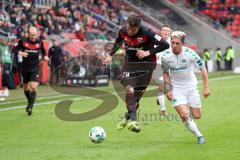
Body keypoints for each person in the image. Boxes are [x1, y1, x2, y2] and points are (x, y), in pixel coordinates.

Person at [103, 14, 169, 133]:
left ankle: (127, 117)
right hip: (131, 65)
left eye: (133, 30)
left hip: (147, 66)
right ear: (126, 24)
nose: (130, 31)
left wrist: (148, 52)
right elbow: (118, 42)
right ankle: (134, 121)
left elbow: (165, 44)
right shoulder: (123, 31)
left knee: (136, 99)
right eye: (129, 28)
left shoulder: (147, 33)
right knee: (130, 90)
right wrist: (110, 55)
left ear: (139, 27)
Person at [161, 31, 210, 144]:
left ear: (182, 44)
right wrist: (168, 89)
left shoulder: (191, 53)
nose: (174, 45)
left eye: (177, 43)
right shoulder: (165, 56)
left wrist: (206, 87)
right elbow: (165, 73)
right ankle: (199, 136)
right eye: (172, 43)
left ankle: (188, 117)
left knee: (197, 116)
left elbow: (203, 68)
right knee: (184, 115)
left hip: (191, 87)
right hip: (176, 89)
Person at [12, 26, 49, 115]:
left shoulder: (39, 42)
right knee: (26, 88)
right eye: (32, 35)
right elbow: (13, 49)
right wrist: (21, 53)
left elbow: (43, 51)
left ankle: (30, 107)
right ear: (28, 34)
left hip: (35, 68)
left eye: (35, 35)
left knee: (33, 86)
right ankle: (30, 102)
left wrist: (45, 56)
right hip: (25, 68)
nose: (33, 37)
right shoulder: (22, 41)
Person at [154, 25, 171, 115]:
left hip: (169, 67)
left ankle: (159, 98)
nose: (165, 32)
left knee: (167, 89)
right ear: (161, 32)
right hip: (158, 66)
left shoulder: (173, 42)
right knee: (161, 86)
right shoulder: (156, 41)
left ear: (170, 33)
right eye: (164, 30)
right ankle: (163, 109)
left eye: (167, 30)